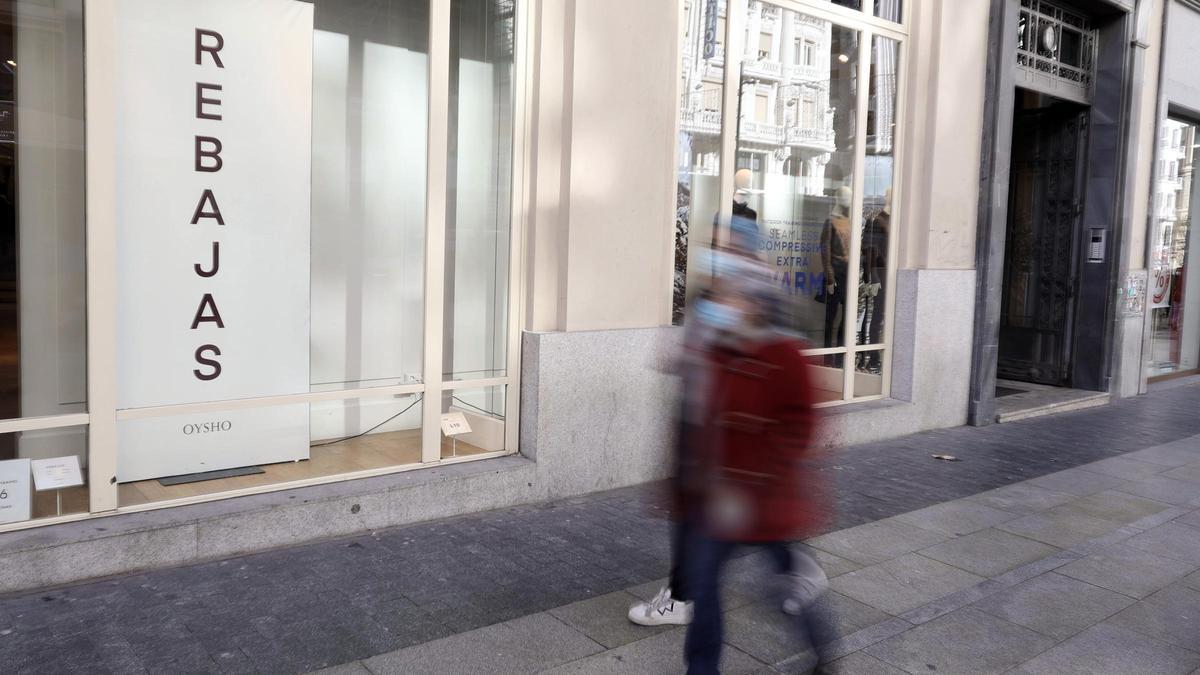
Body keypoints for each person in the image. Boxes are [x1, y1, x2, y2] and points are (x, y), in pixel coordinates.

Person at [679, 236, 834, 674]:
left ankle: (823, 654)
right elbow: (704, 418)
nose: (721, 300)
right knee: (704, 582)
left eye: (730, 294)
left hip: (765, 498)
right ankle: (701, 668)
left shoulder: (786, 354)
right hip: (718, 497)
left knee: (787, 585)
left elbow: (801, 426)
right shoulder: (721, 348)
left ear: (754, 302)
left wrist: (755, 482)